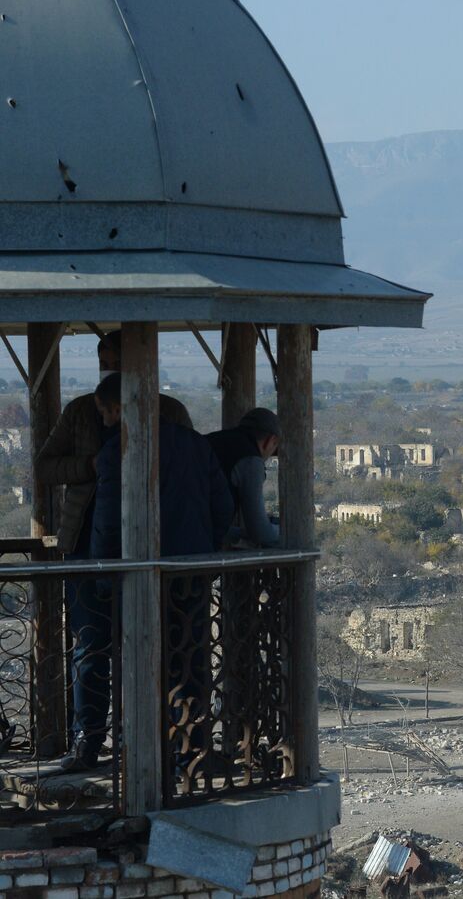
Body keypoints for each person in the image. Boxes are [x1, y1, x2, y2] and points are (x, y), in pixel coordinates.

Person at [34, 331, 192, 771]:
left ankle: (153, 744)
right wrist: (89, 468)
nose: (112, 372)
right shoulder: (83, 412)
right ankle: (89, 742)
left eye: (119, 363)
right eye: (106, 363)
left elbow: (187, 467)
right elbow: (44, 467)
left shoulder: (170, 412)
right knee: (90, 648)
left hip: (154, 545)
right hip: (88, 547)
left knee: (154, 646)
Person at [69, 374, 233, 772]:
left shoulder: (117, 452)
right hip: (190, 573)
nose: (105, 422)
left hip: (137, 579)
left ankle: (140, 756)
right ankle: (190, 752)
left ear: (119, 409)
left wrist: (104, 575)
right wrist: (205, 551)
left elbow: (108, 525)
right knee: (189, 660)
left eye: (106, 413)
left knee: (139, 662)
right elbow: (223, 507)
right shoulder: (196, 444)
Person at [206, 408, 281, 548]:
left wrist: (240, 533)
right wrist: (285, 531)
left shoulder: (213, 440)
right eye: (274, 450)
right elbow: (262, 534)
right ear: (271, 441)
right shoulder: (250, 460)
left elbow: (206, 522)